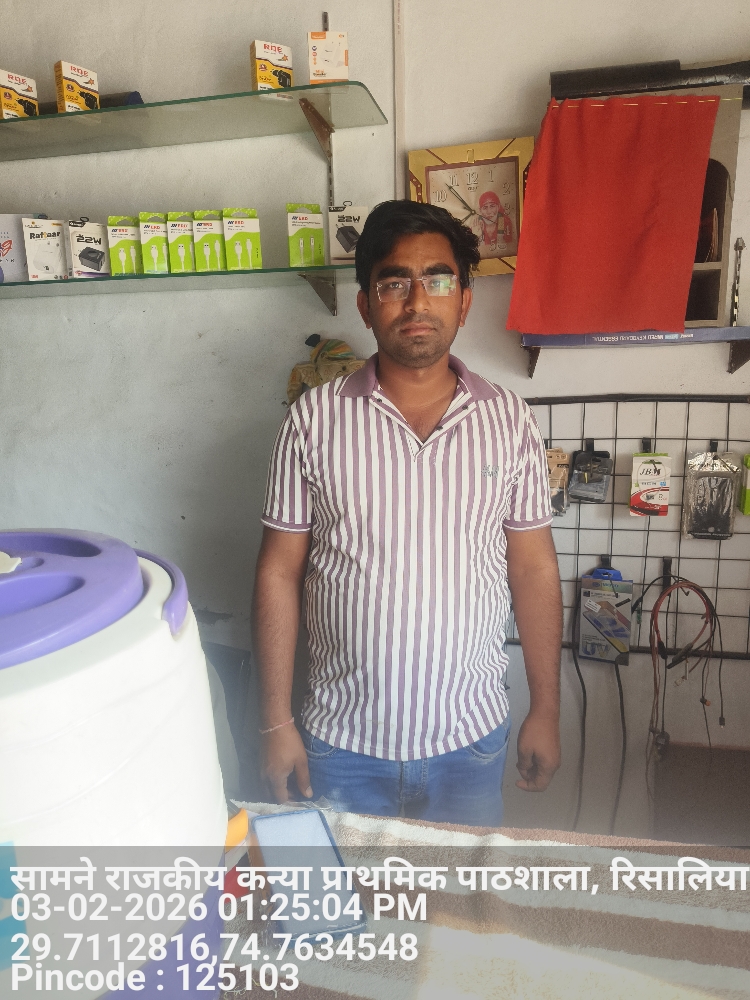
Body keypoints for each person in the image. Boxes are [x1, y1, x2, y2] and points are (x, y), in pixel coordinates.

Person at [253, 200, 562, 826]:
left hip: (470, 741)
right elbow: (278, 572)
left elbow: (534, 570)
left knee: (458, 893)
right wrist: (275, 721)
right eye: (394, 283)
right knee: (342, 893)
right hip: (341, 744)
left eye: (438, 281)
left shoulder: (509, 421)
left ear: (465, 301)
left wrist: (546, 709)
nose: (417, 301)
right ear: (366, 304)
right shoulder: (312, 420)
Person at [471, 190, 513, 256]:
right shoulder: (476, 225)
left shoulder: (505, 222)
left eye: (492, 206)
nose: (489, 212)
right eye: (485, 208)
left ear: (498, 207)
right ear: (480, 210)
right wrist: (477, 236)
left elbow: (510, 248)